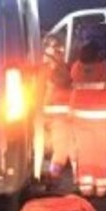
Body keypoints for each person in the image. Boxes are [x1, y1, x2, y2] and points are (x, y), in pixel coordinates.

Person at [70, 41, 106, 197]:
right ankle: (101, 186)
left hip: (81, 117)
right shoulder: (104, 66)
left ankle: (86, 187)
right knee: (102, 151)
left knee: (85, 151)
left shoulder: (76, 67)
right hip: (103, 117)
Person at [41, 35, 73, 186]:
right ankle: (56, 175)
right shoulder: (64, 65)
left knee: (61, 147)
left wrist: (42, 113)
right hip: (66, 111)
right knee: (68, 147)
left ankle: (53, 177)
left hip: (57, 112)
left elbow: (48, 89)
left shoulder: (51, 67)